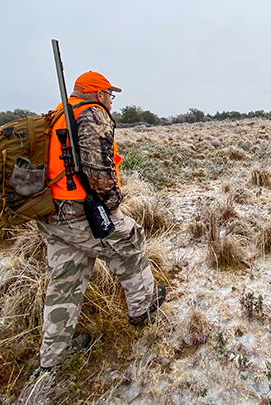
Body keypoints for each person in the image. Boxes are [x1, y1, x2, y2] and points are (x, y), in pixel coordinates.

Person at [36, 71, 166, 373]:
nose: (111, 100)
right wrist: (113, 207)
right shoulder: (93, 115)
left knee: (64, 281)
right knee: (130, 242)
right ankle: (143, 308)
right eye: (110, 94)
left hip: (51, 213)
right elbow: (97, 171)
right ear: (98, 94)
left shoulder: (59, 113)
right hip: (82, 212)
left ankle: (53, 357)